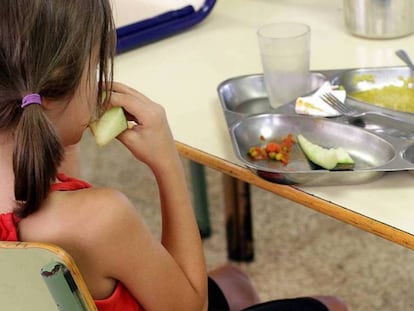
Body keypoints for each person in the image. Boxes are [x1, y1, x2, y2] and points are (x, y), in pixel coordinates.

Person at [0, 1, 347, 310]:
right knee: (330, 305)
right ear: (59, 83)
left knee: (234, 281)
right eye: (93, 68)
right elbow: (194, 305)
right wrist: (166, 161)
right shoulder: (97, 218)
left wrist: (61, 127)